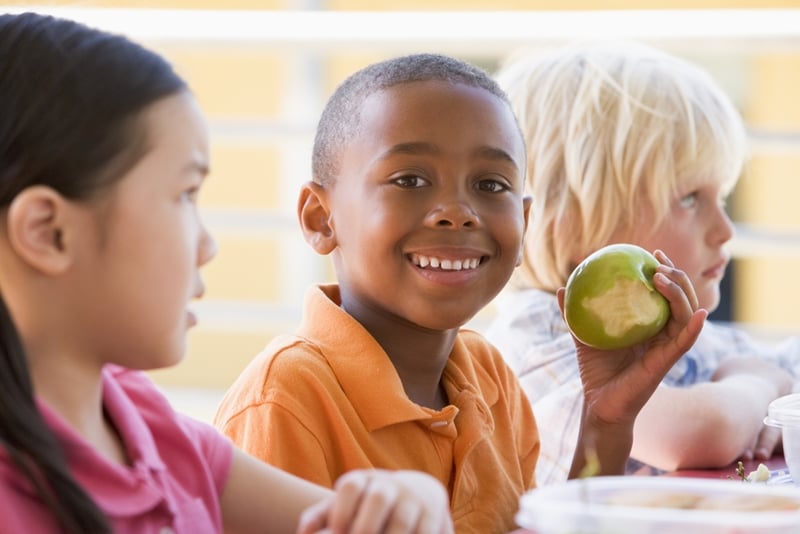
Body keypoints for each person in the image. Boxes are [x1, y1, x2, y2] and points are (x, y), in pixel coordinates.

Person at [0, 12, 455, 534]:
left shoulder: (140, 420)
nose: (208, 245)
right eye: (184, 195)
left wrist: (405, 498)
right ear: (48, 232)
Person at [213, 52, 706, 533]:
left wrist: (606, 419)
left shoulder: (489, 379)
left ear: (524, 223)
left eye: (491, 185)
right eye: (410, 179)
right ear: (321, 218)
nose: (457, 211)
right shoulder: (286, 400)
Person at [484, 41, 798, 486]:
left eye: (721, 197)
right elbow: (694, 433)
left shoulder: (680, 329)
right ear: (575, 228)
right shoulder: (539, 339)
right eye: (690, 199)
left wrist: (772, 384)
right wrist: (760, 385)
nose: (725, 229)